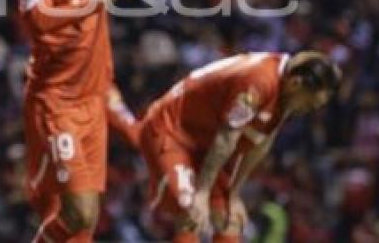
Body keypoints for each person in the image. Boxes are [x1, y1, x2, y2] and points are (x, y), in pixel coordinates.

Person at [18, 0, 168, 242]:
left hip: (94, 99)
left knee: (85, 222)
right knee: (78, 211)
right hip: (58, 102)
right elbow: (37, 17)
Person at [138, 50, 342, 243]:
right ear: (296, 84)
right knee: (191, 211)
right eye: (309, 104)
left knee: (230, 221)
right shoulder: (258, 81)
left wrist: (233, 194)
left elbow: (261, 143)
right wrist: (202, 192)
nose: (308, 110)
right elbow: (227, 137)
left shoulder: (286, 91)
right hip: (171, 130)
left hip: (203, 141)